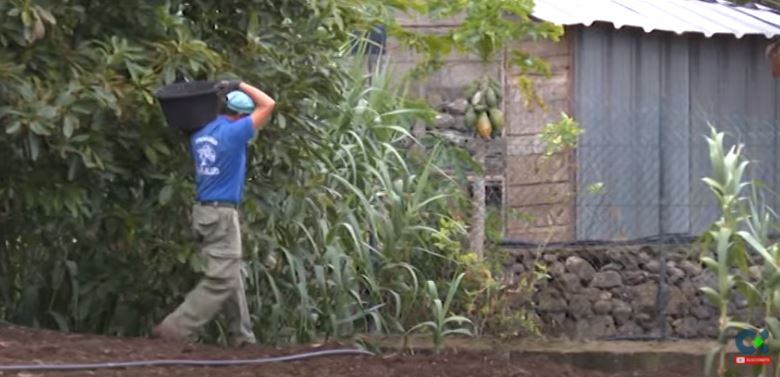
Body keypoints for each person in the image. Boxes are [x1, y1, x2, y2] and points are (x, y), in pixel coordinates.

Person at [152, 80, 276, 347]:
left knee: (230, 272)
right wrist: (241, 83)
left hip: (203, 213)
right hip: (221, 215)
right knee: (221, 278)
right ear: (241, 116)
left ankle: (242, 337)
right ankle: (176, 327)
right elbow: (269, 104)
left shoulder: (201, 133)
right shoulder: (235, 134)